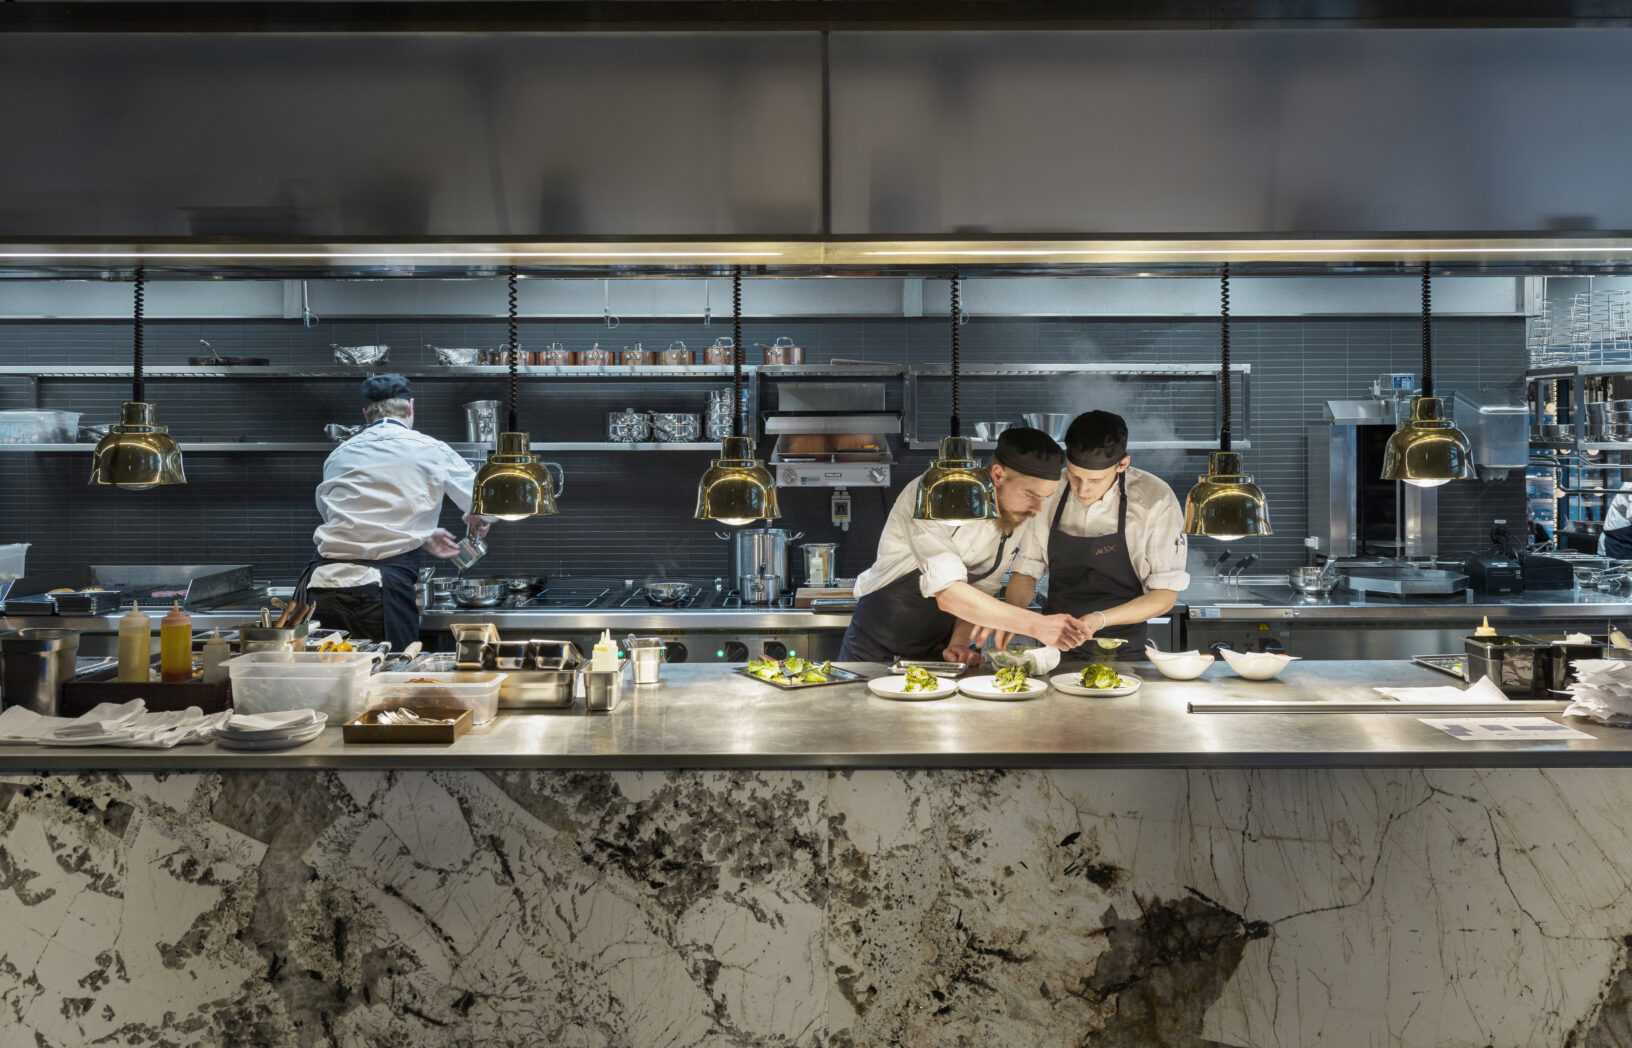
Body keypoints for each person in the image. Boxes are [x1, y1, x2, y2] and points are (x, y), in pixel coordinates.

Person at [837, 428, 1091, 664]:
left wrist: (958, 642)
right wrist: (1036, 625)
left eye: (1044, 498)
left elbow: (981, 587)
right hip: (873, 648)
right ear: (998, 475)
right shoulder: (934, 493)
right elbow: (949, 594)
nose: (1037, 509)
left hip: (936, 651)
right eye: (1031, 495)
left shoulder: (1016, 515)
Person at [297, 374, 492, 650]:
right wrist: (478, 516)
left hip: (321, 588)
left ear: (366, 414)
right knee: (389, 673)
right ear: (410, 406)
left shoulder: (339, 454)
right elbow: (488, 502)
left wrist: (422, 534)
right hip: (378, 594)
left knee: (329, 671)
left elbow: (341, 520)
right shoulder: (431, 449)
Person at [991, 410, 1189, 657]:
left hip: (1123, 649)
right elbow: (1026, 571)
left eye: (1095, 481)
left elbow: (1165, 595)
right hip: (1055, 647)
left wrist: (1099, 619)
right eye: (1075, 476)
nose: (1082, 490)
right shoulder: (1050, 493)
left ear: (1122, 464)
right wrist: (1012, 618)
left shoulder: (1156, 500)